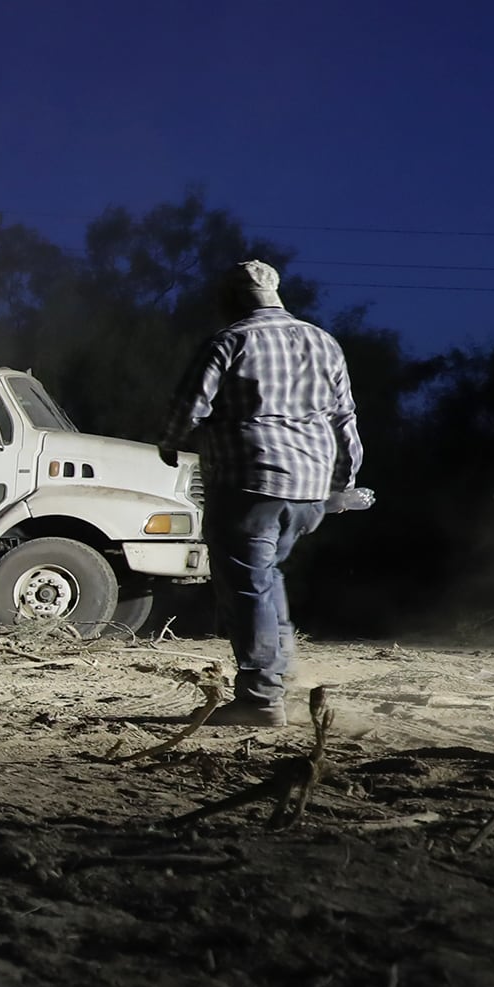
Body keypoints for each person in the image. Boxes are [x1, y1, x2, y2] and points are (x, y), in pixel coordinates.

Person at [160, 260, 364, 728]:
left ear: (231, 299)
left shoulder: (231, 341)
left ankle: (260, 698)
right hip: (309, 492)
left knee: (246, 588)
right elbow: (345, 420)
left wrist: (170, 443)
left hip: (249, 484)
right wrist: (343, 484)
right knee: (266, 576)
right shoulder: (323, 342)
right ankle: (278, 674)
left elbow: (189, 407)